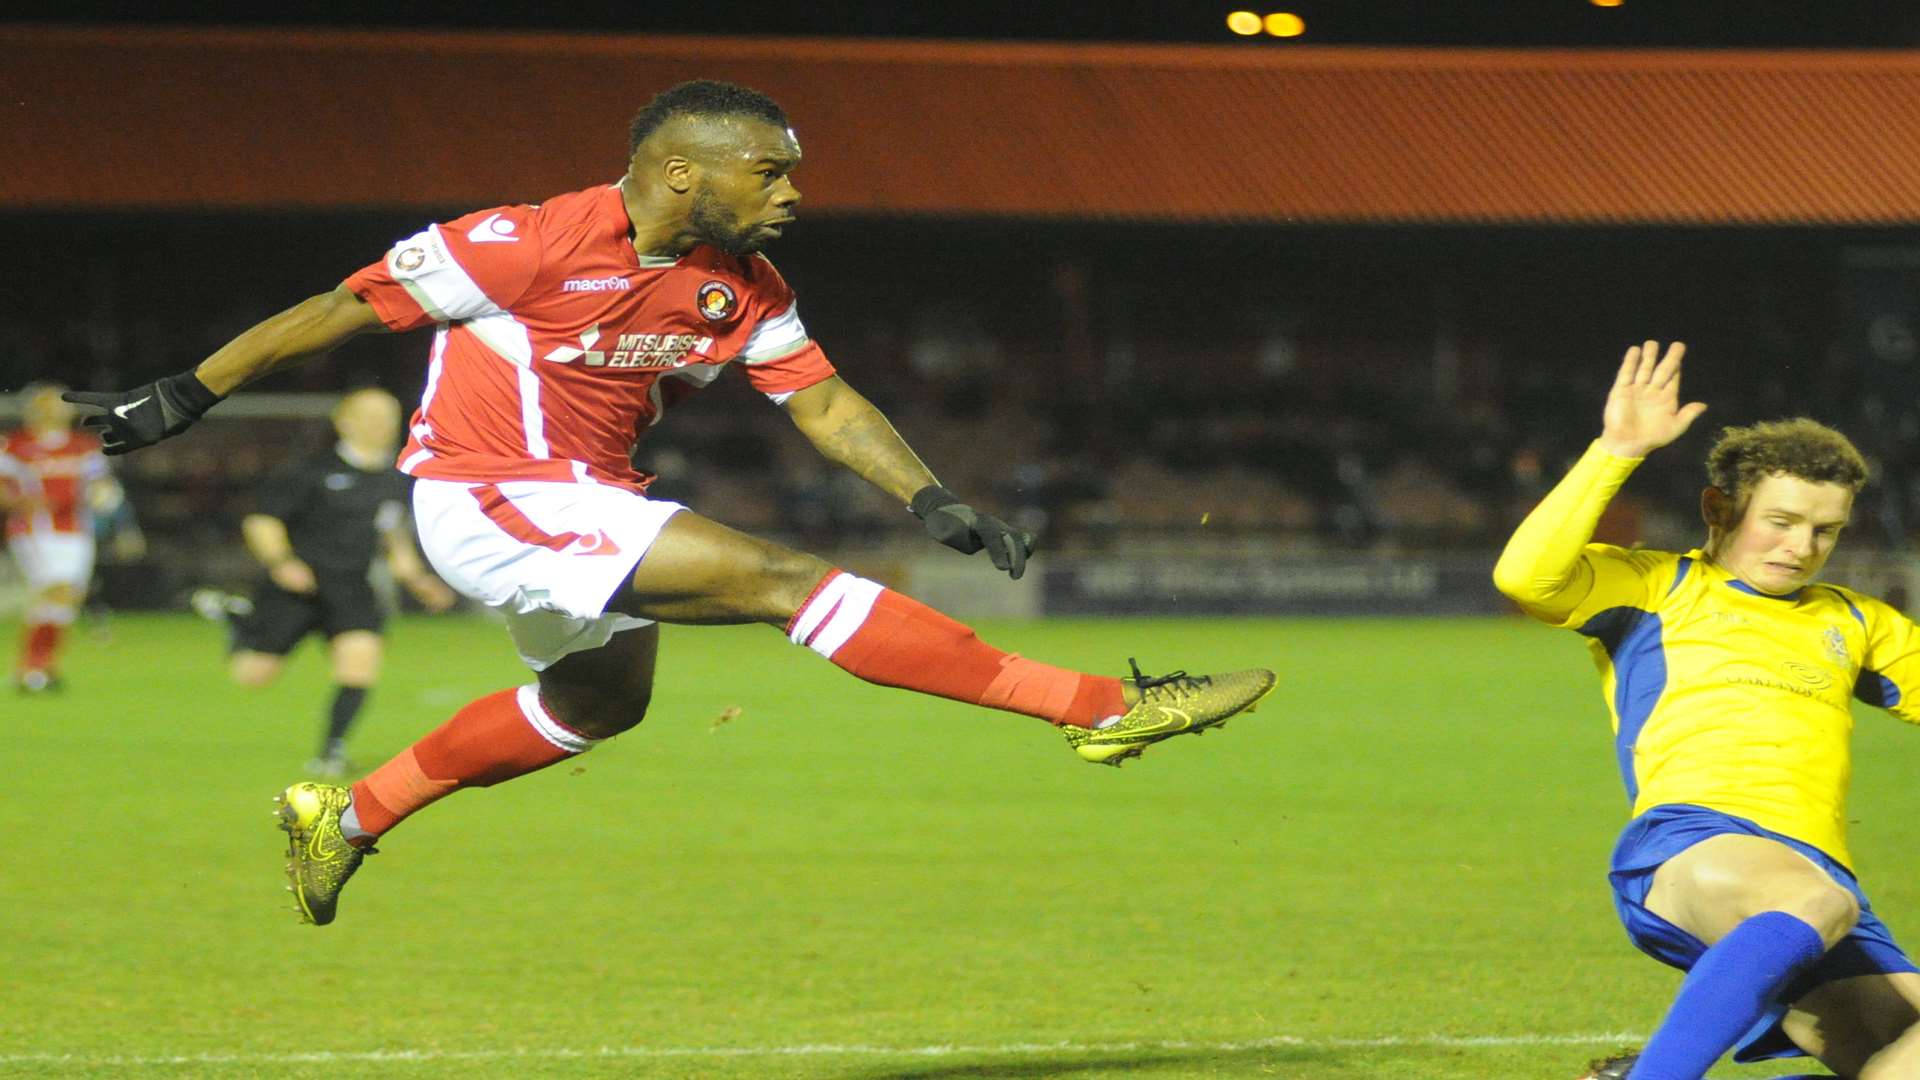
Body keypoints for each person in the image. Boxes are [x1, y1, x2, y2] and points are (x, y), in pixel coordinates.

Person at [63, 80, 1276, 926]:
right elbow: (340, 307)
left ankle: (349, 812)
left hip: (587, 499)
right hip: (488, 494)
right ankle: (1105, 708)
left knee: (598, 705)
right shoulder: (523, 242)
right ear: (681, 172)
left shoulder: (740, 285)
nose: (793, 191)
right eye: (771, 172)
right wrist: (187, 392)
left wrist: (932, 495)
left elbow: (821, 399)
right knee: (781, 580)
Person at [1493, 341, 1920, 1080]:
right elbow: (1526, 576)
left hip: (1820, 888)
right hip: (1695, 843)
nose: (1801, 548)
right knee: (1815, 900)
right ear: (1718, 508)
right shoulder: (1656, 588)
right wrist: (1615, 451)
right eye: (1781, 521)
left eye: (1825, 531)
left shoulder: (1856, 622)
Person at [195, 388, 457, 776]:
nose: (380, 424)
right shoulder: (309, 471)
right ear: (344, 422)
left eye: (388, 415)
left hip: (352, 588)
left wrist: (418, 580)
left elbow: (393, 537)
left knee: (360, 663)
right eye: (369, 414)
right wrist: (282, 562)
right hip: (297, 588)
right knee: (253, 676)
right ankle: (239, 620)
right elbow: (262, 520)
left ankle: (331, 752)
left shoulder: (396, 479)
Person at [1, 383, 114, 693]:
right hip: (35, 530)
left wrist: (102, 497)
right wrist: (20, 503)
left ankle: (37, 669)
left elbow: (101, 485)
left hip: (77, 531)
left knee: (65, 599)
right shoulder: (14, 446)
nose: (58, 408)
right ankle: (35, 667)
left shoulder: (83, 446)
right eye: (49, 402)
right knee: (57, 590)